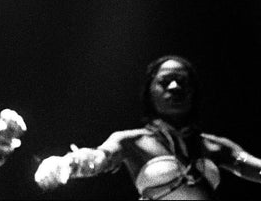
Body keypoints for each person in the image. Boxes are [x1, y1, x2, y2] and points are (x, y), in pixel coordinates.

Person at [33, 54, 261, 199]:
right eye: (164, 82)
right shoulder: (132, 142)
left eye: (183, 82)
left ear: (194, 92)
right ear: (150, 92)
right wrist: (68, 163)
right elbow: (99, 157)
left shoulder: (217, 148)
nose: (174, 87)